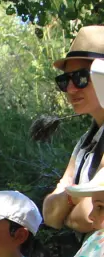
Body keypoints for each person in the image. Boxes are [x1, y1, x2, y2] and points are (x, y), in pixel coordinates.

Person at [43, 26, 104, 235]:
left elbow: (88, 216)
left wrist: (68, 204)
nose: (70, 89)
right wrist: (74, 198)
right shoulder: (85, 142)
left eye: (80, 77)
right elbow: (49, 214)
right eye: (64, 80)